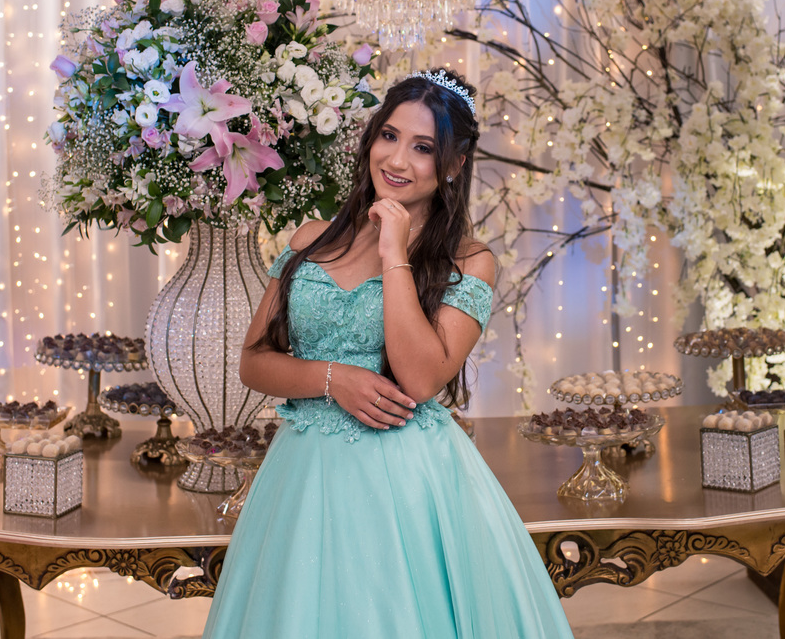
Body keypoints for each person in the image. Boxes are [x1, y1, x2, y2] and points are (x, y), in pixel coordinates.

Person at [200, 69, 574, 638]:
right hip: (302, 474)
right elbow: (254, 361)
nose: (398, 160)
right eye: (390, 136)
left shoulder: (470, 262)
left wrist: (395, 249)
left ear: (452, 166)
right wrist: (333, 379)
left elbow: (421, 378)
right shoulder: (310, 239)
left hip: (405, 479)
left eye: (423, 148)